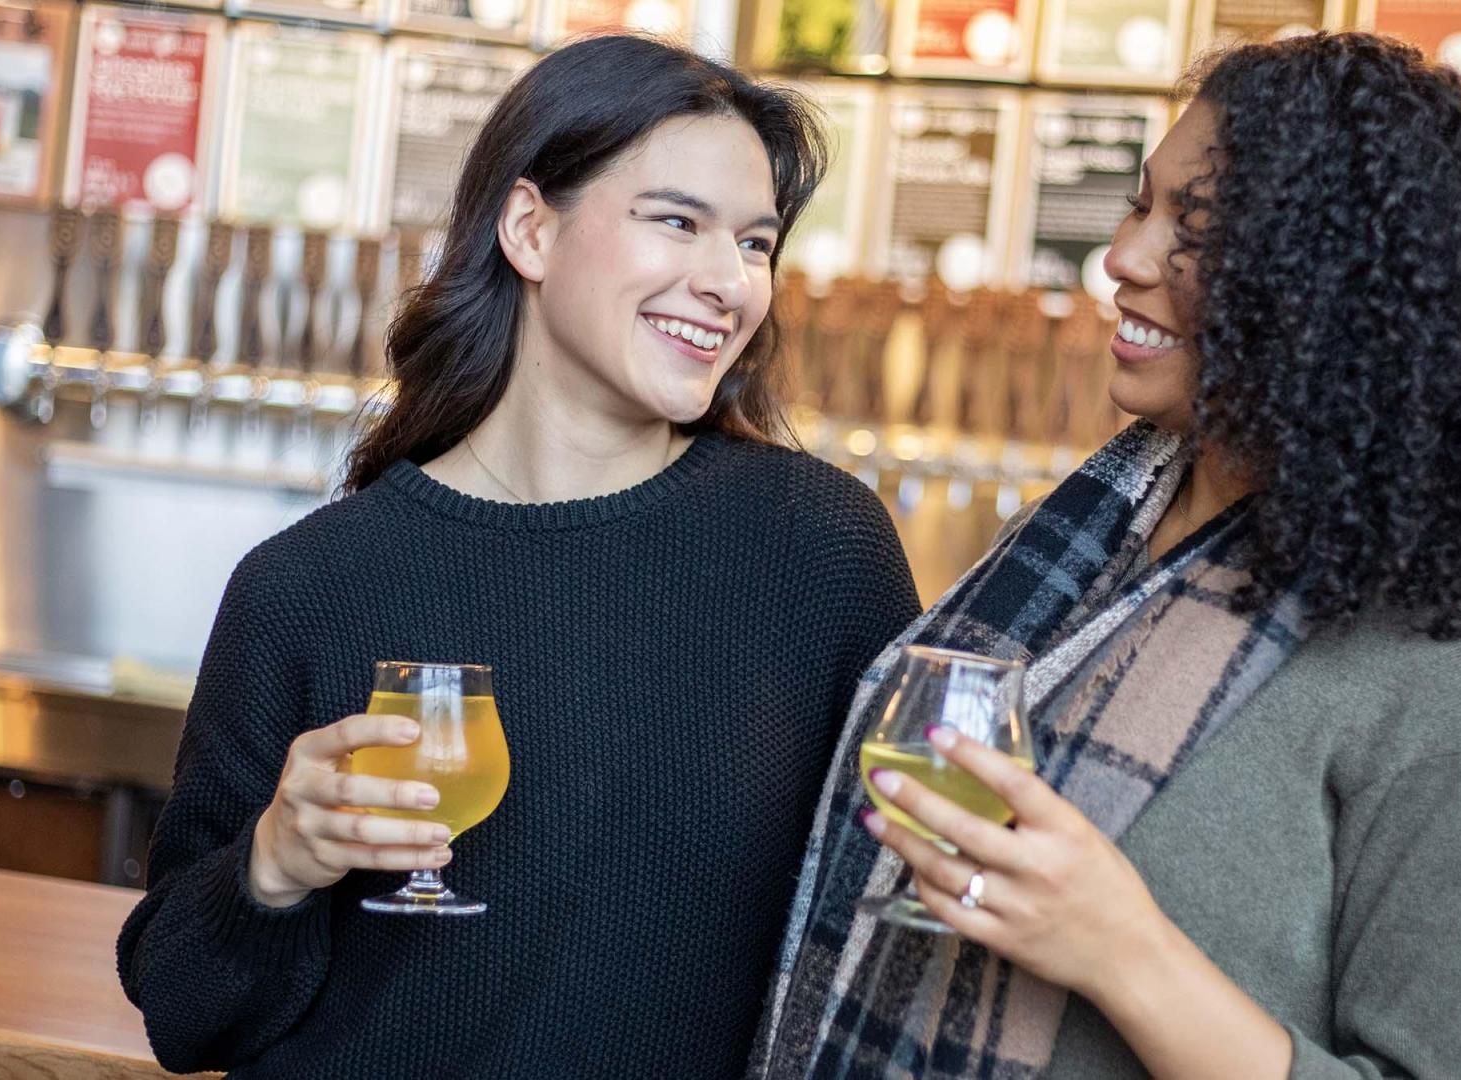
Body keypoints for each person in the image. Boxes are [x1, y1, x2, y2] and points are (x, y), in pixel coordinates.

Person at [754, 32, 1461, 1079]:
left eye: (1197, 230)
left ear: (1336, 291)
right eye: (1138, 205)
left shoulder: (1454, 690)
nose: (1121, 259)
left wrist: (1124, 953)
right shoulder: (1086, 542)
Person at [117, 34, 920, 1078]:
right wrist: (271, 867)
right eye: (676, 222)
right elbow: (181, 1016)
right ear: (531, 230)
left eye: (756, 244)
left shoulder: (819, 554)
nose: (729, 282)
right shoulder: (307, 585)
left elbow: (894, 938)